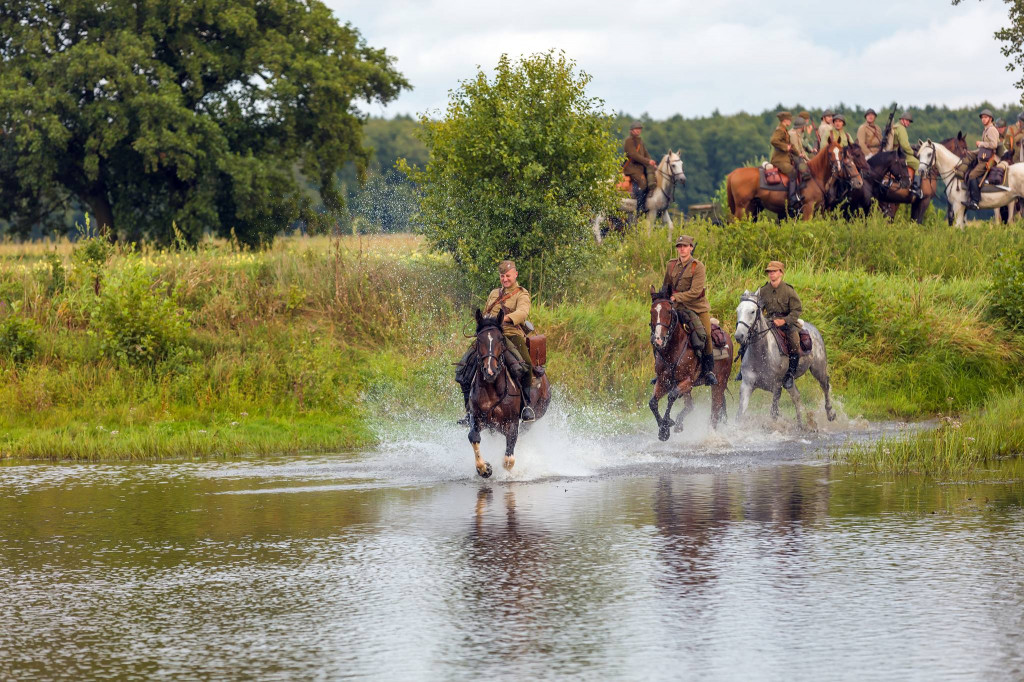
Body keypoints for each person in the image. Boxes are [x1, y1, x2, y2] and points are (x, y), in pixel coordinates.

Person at [455, 260, 536, 424]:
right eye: (502, 276)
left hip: (510, 333)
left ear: (515, 274)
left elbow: (522, 313)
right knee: (464, 366)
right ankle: (469, 410)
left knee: (525, 364)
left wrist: (503, 319)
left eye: (507, 275)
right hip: (489, 334)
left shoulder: (522, 294)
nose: (505, 279)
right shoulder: (494, 293)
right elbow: (487, 312)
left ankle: (526, 406)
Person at [662, 235, 717, 386]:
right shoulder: (671, 265)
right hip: (677, 307)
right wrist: (661, 300)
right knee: (661, 331)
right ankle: (661, 370)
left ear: (691, 248)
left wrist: (677, 297)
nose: (682, 249)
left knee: (705, 333)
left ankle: (708, 370)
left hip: (697, 307)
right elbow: (666, 286)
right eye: (679, 246)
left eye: (685, 246)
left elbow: (695, 291)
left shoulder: (697, 266)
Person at [757, 261, 803, 390]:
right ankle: (744, 370)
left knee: (794, 343)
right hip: (769, 321)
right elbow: (758, 309)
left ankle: (790, 374)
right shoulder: (763, 290)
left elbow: (797, 310)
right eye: (769, 272)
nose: (771, 274)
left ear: (781, 273)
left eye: (774, 271)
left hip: (787, 323)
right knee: (750, 338)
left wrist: (784, 320)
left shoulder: (788, 290)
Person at [967, 109, 1000, 210]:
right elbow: (983, 149)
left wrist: (981, 144)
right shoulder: (985, 130)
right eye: (982, 117)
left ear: (990, 119)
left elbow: (994, 145)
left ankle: (975, 201)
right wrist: (971, 152)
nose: (983, 119)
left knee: (972, 175)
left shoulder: (991, 129)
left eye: (985, 117)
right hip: (984, 157)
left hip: (989, 160)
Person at [623, 121, 657, 217]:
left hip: (640, 167)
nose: (638, 131)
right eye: (636, 129)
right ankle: (639, 209)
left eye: (639, 129)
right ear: (632, 131)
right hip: (631, 168)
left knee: (653, 179)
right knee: (642, 182)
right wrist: (647, 161)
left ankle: (649, 204)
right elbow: (633, 155)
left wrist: (651, 162)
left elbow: (645, 153)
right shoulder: (629, 141)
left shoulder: (640, 141)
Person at [769, 111, 801, 206]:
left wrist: (799, 154)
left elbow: (790, 145)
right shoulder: (780, 130)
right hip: (779, 160)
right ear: (784, 120)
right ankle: (792, 197)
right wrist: (784, 147)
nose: (790, 121)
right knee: (792, 171)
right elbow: (773, 140)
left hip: (785, 159)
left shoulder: (785, 130)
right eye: (789, 119)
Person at [891, 111, 921, 198]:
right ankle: (916, 188)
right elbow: (904, 146)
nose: (908, 123)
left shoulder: (895, 126)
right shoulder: (901, 128)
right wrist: (914, 153)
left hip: (893, 152)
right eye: (907, 121)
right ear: (902, 120)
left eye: (909, 122)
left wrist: (912, 146)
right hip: (899, 154)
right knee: (918, 164)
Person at [789, 116, 812, 186]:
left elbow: (801, 148)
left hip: (797, 154)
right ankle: (804, 179)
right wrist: (803, 157)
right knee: (803, 167)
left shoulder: (796, 133)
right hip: (792, 155)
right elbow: (795, 149)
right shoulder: (793, 134)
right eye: (804, 126)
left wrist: (808, 160)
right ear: (802, 127)